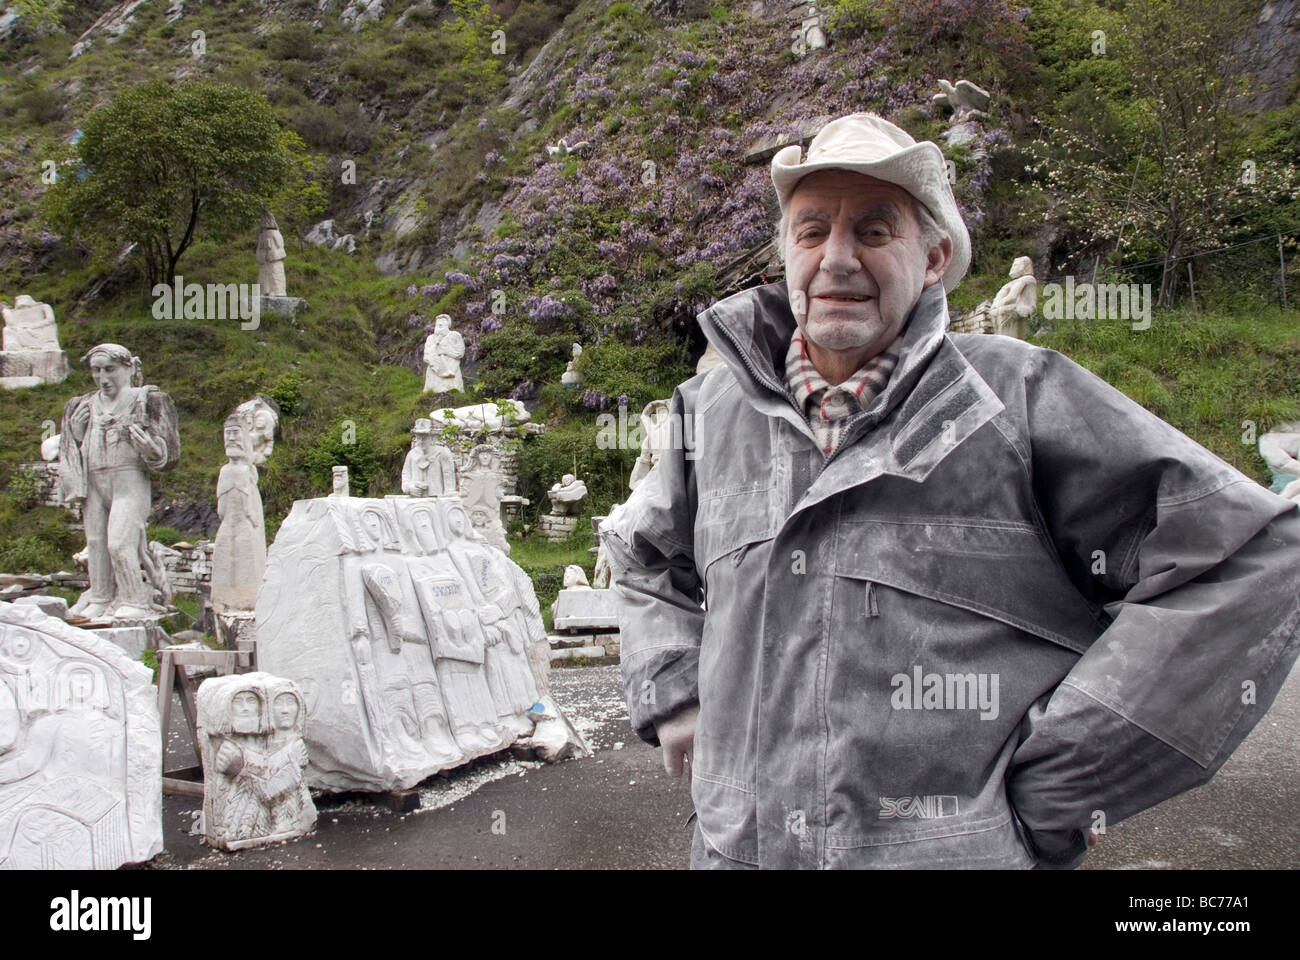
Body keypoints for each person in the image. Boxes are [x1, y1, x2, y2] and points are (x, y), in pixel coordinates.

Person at [600, 112, 1300, 869]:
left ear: (933, 258)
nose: (836, 260)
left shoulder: (1018, 397)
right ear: (786, 254)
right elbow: (641, 557)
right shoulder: (707, 412)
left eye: (874, 232)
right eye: (811, 232)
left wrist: (1051, 789)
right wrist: (674, 688)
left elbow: (1250, 555)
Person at [58, 343, 180, 619]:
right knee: (96, 542)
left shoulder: (148, 399)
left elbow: (170, 453)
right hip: (93, 482)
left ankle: (135, 600)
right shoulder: (83, 405)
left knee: (118, 542)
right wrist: (77, 434)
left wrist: (152, 449)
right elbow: (69, 450)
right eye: (96, 370)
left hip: (128, 479)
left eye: (110, 369)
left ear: (128, 368)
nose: (103, 378)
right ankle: (100, 596)